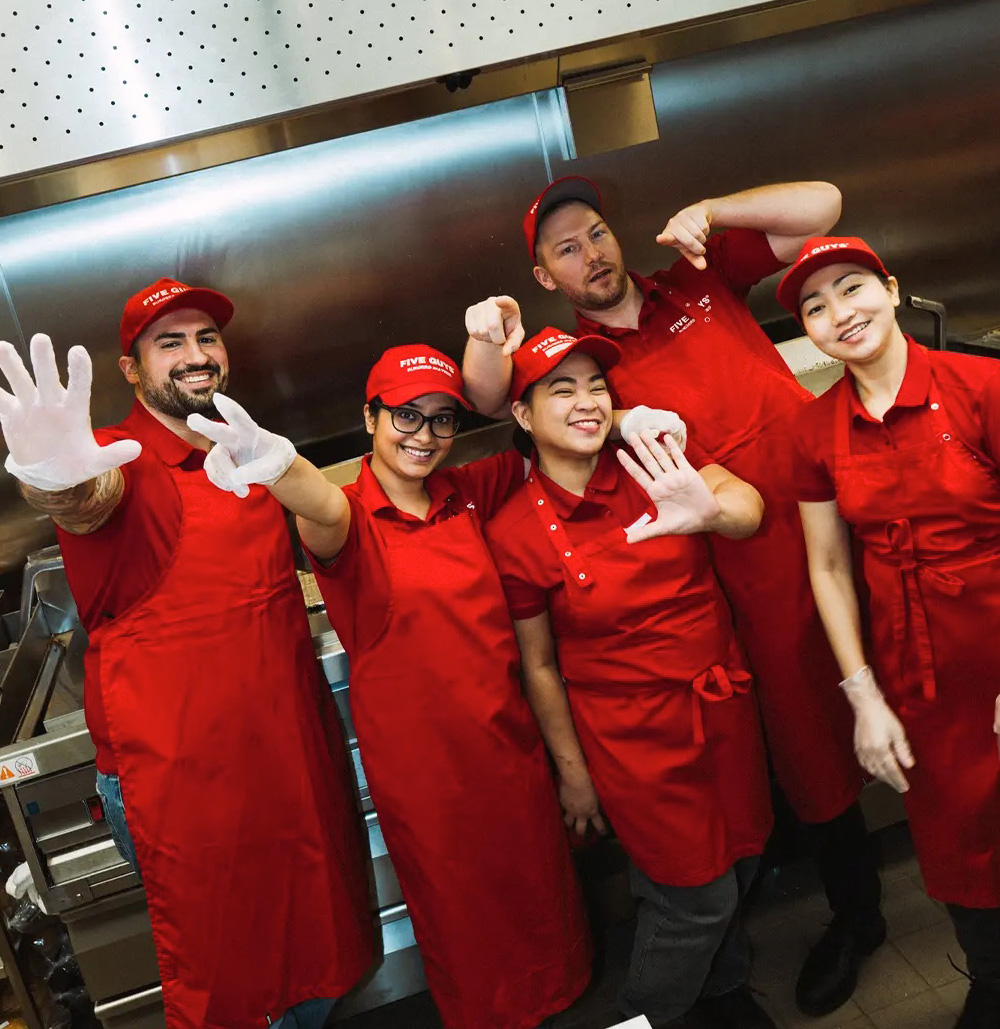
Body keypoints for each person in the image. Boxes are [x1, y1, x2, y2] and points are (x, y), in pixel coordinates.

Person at [462, 179, 885, 1015]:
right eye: (567, 249)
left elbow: (824, 207)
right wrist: (488, 339)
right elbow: (485, 397)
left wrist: (715, 210)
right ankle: (853, 916)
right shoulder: (584, 366)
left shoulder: (696, 272)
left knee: (905, 694)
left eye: (597, 232)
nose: (592, 254)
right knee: (803, 745)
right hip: (733, 561)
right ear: (545, 277)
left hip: (828, 506)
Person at [0, 280, 374, 1029]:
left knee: (315, 951)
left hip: (284, 754)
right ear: (132, 370)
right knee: (236, 976)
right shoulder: (115, 456)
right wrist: (53, 481)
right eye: (169, 343)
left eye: (207, 337)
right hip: (179, 781)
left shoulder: (246, 446)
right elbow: (86, 497)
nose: (196, 355)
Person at [187, 343, 593, 1029]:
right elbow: (319, 507)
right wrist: (282, 467)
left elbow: (547, 433)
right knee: (470, 934)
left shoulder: (468, 490)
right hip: (427, 781)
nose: (424, 435)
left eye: (442, 419)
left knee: (544, 907)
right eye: (406, 415)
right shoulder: (347, 516)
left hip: (510, 752)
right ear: (370, 417)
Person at [481, 326, 775, 1028]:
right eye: (562, 390)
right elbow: (539, 666)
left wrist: (711, 510)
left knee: (742, 861)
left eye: (596, 386)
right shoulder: (515, 531)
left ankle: (724, 993)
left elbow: (749, 509)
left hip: (722, 705)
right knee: (693, 897)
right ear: (522, 415)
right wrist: (573, 773)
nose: (586, 401)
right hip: (634, 742)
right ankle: (647, 1016)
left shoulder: (656, 462)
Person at [779, 236, 1000, 1029]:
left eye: (852, 288)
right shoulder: (813, 431)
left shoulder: (983, 387)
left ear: (893, 289)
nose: (839, 312)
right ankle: (992, 982)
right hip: (917, 676)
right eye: (815, 306)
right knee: (961, 847)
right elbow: (828, 566)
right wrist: (864, 696)